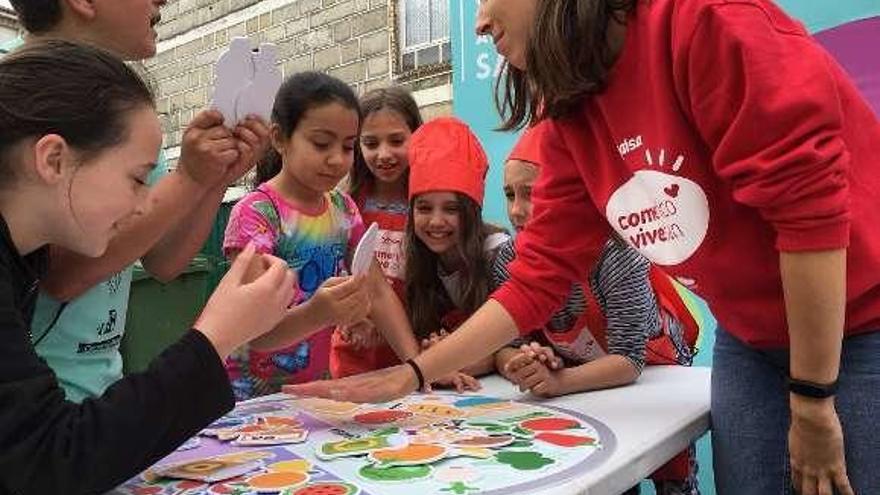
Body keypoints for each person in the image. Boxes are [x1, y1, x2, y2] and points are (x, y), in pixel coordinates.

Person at [287, 1, 880, 494]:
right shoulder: (574, 115)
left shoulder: (707, 24)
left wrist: (811, 397)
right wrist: (409, 374)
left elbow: (810, 217)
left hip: (861, 323)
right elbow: (536, 279)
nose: (479, 22)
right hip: (749, 338)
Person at [0, 40, 294, 495]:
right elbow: (49, 459)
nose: (143, 205)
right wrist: (216, 336)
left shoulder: (22, 259)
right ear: (53, 159)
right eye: (138, 178)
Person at [9, 0, 269, 401]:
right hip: (39, 407)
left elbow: (163, 261)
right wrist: (189, 178)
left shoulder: (118, 107)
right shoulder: (30, 102)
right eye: (135, 179)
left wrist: (213, 179)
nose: (165, 1)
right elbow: (62, 274)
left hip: (96, 390)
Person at [493, 125, 699, 494]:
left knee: (673, 479)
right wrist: (525, 360)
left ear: (568, 195)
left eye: (532, 194)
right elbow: (505, 344)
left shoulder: (617, 252)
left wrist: (558, 382)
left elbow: (629, 361)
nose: (516, 211)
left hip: (653, 376)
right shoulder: (508, 257)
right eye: (509, 194)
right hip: (580, 383)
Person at [222, 72, 421, 400]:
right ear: (280, 137)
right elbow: (251, 329)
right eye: (321, 144)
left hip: (314, 387)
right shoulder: (257, 214)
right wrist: (320, 313)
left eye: (347, 146)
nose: (337, 159)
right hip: (245, 395)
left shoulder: (343, 209)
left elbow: (379, 292)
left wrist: (418, 368)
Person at [404, 117, 508, 384]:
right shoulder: (422, 262)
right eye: (424, 208)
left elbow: (509, 346)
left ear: (471, 213)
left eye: (451, 209)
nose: (436, 221)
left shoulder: (500, 256)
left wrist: (445, 358)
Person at [330, 86, 423, 378]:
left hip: (414, 353)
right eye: (370, 143)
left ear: (416, 136)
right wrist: (352, 317)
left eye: (396, 140)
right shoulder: (344, 208)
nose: (384, 154)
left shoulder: (427, 205)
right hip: (353, 358)